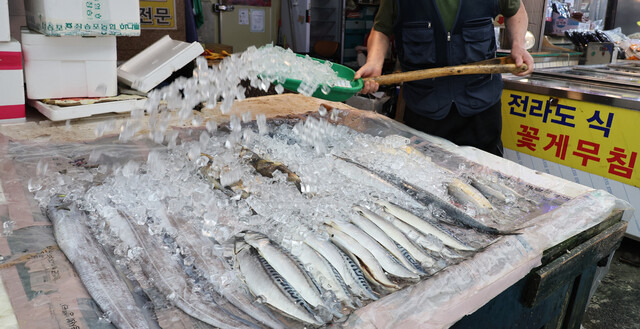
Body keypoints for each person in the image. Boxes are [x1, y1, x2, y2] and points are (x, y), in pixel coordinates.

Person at [354, 0, 534, 157]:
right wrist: (374, 62)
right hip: (424, 110)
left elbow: (515, 10)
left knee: (485, 182)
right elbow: (381, 29)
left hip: (481, 110)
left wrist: (518, 44)